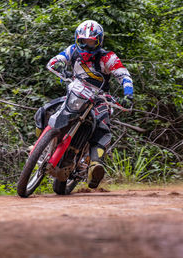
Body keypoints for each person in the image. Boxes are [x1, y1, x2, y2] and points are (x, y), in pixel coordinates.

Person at [46, 20, 134, 189]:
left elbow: (124, 76)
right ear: (77, 40)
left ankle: (95, 165)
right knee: (47, 109)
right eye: (83, 42)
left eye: (91, 42)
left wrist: (127, 96)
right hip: (76, 93)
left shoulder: (108, 57)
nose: (86, 46)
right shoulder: (71, 50)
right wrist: (59, 66)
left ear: (99, 41)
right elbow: (55, 60)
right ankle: (40, 146)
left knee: (102, 128)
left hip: (100, 99)